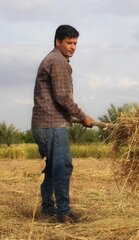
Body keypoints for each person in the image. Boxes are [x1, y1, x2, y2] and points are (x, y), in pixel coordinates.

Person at [31, 25, 94, 223]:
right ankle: (63, 213)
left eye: (75, 43)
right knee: (62, 167)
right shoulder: (57, 61)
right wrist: (82, 115)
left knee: (50, 169)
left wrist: (74, 118)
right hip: (52, 126)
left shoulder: (52, 59)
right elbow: (63, 98)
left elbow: (53, 99)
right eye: (69, 42)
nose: (73, 47)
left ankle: (48, 210)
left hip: (43, 124)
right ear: (58, 42)